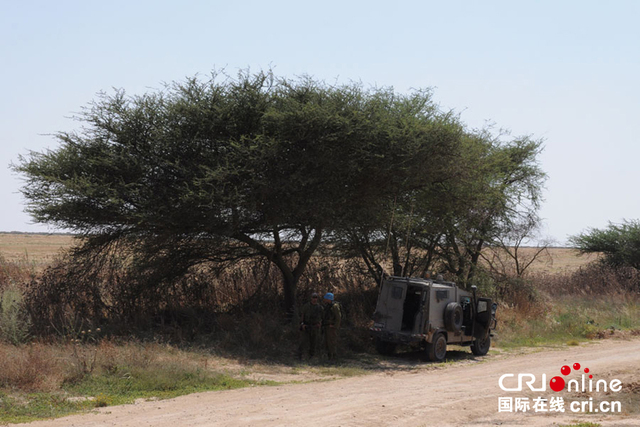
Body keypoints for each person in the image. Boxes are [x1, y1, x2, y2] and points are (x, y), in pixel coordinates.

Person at [298, 292, 323, 360]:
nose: (314, 299)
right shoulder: (306, 306)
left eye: (316, 298)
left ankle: (312, 356)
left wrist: (320, 323)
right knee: (303, 341)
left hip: (315, 326)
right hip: (306, 326)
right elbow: (302, 315)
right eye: (313, 297)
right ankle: (301, 355)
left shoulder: (319, 307)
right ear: (311, 298)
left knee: (314, 342)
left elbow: (322, 316)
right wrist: (302, 324)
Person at [322, 292, 341, 361]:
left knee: (332, 342)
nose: (324, 299)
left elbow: (338, 317)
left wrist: (334, 326)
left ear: (328, 299)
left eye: (326, 298)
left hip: (332, 327)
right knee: (327, 342)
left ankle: (333, 356)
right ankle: (329, 356)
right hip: (327, 326)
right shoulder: (328, 306)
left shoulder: (334, 306)